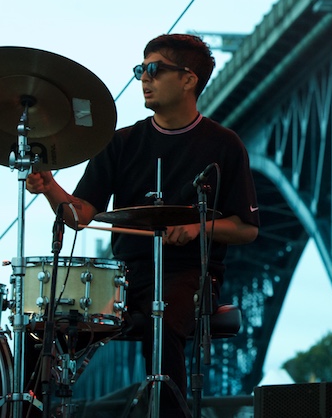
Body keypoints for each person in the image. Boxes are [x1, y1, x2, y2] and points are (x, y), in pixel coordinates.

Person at [27, 33, 260, 415]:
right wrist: (51, 185)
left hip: (190, 275)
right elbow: (80, 216)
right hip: (125, 275)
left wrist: (200, 230)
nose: (144, 79)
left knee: (162, 320)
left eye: (154, 69)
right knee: (49, 320)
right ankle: (32, 404)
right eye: (141, 69)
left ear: (188, 79)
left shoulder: (224, 144)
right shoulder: (120, 142)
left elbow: (247, 228)